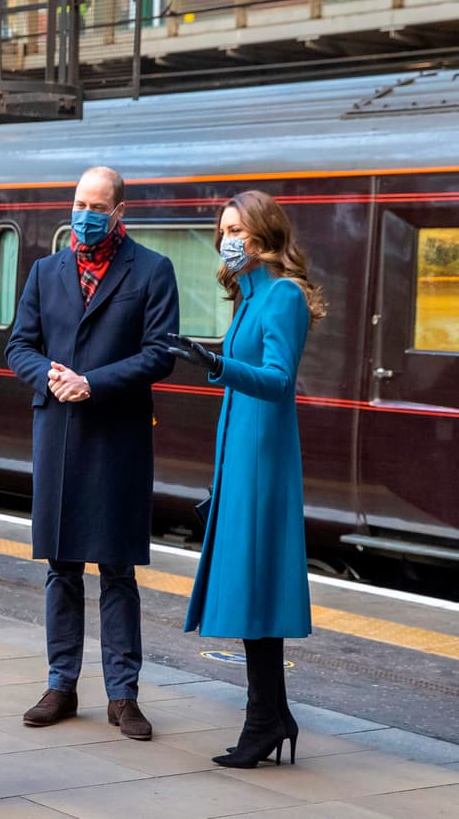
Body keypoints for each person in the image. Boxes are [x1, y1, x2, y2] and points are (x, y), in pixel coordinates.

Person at [5, 166, 179, 739]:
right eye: (79, 204)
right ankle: (61, 685)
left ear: (119, 212)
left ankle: (123, 696)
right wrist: (49, 378)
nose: (85, 215)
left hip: (117, 438)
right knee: (61, 568)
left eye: (97, 207)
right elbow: (19, 345)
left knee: (117, 570)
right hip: (58, 433)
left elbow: (160, 354)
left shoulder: (152, 270)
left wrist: (93, 383)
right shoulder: (45, 271)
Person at [168, 190, 326, 768]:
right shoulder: (248, 296)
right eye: (223, 230)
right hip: (241, 456)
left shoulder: (282, 295)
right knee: (252, 586)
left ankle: (265, 720)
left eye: (236, 230)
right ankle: (270, 715)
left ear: (262, 235)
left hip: (262, 460)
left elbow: (279, 380)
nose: (226, 240)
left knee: (256, 586)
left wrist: (216, 363)